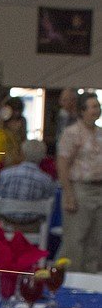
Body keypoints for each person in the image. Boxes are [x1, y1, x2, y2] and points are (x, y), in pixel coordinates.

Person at [57, 91, 102, 272]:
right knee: (75, 239)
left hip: (99, 189)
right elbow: (62, 164)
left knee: (96, 239)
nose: (97, 110)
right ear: (82, 111)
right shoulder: (72, 133)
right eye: (93, 107)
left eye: (98, 106)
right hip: (80, 189)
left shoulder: (100, 133)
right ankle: (70, 278)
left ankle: (90, 278)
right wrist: (68, 194)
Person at [0, 140, 57, 206]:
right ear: (43, 157)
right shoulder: (46, 180)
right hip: (35, 213)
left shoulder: (5, 174)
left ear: (22, 154)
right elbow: (49, 205)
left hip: (6, 212)